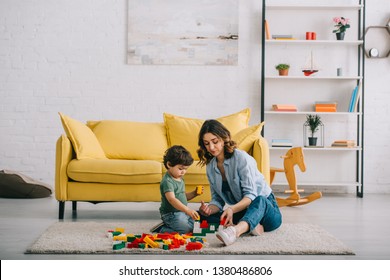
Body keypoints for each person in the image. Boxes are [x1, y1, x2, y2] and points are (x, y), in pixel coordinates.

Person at [197, 119, 282, 246]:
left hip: (266, 210)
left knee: (260, 199)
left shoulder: (241, 158)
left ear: (224, 138)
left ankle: (235, 231)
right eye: (207, 143)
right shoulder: (211, 166)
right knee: (200, 216)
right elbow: (217, 201)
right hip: (242, 211)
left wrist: (231, 209)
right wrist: (208, 210)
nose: (211, 147)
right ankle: (250, 226)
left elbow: (251, 196)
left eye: (215, 142)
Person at [157, 145, 203, 234]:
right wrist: (187, 210)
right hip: (171, 214)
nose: (183, 172)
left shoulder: (179, 178)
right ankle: (162, 229)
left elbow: (182, 196)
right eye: (180, 169)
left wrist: (195, 193)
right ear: (169, 164)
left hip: (182, 212)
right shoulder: (168, 181)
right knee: (185, 230)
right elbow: (172, 199)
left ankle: (176, 225)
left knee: (196, 226)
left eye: (185, 169)